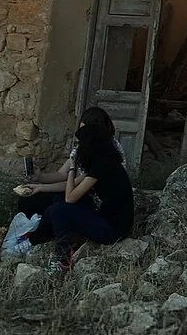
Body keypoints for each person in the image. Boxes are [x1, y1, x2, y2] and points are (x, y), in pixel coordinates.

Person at [38, 116, 133, 274]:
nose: (77, 148)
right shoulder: (104, 163)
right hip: (104, 216)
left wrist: (72, 167)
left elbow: (71, 197)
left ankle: (62, 258)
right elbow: (73, 186)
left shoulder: (103, 166)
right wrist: (40, 187)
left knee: (60, 209)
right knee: (58, 202)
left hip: (114, 229)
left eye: (79, 144)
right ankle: (37, 239)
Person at [11, 106, 114, 246]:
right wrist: (40, 177)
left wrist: (42, 187)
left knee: (58, 206)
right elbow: (61, 174)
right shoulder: (84, 147)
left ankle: (35, 242)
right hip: (77, 192)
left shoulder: (104, 155)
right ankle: (33, 235)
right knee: (29, 201)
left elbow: (73, 189)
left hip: (92, 201)